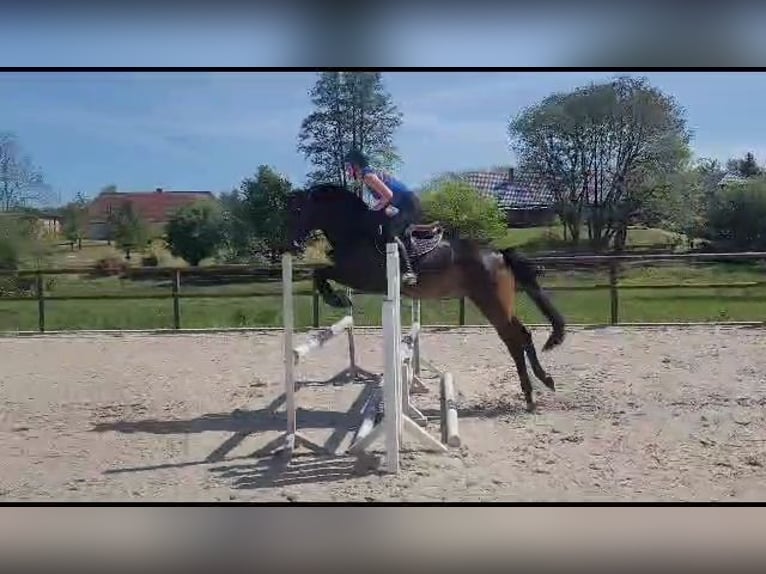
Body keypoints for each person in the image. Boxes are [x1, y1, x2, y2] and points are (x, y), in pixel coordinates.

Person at [344, 148, 421, 286]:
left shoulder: (368, 176)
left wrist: (375, 209)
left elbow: (388, 195)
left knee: (390, 232)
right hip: (402, 203)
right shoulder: (367, 175)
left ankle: (409, 271)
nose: (347, 171)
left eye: (348, 167)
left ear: (355, 166)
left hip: (408, 205)